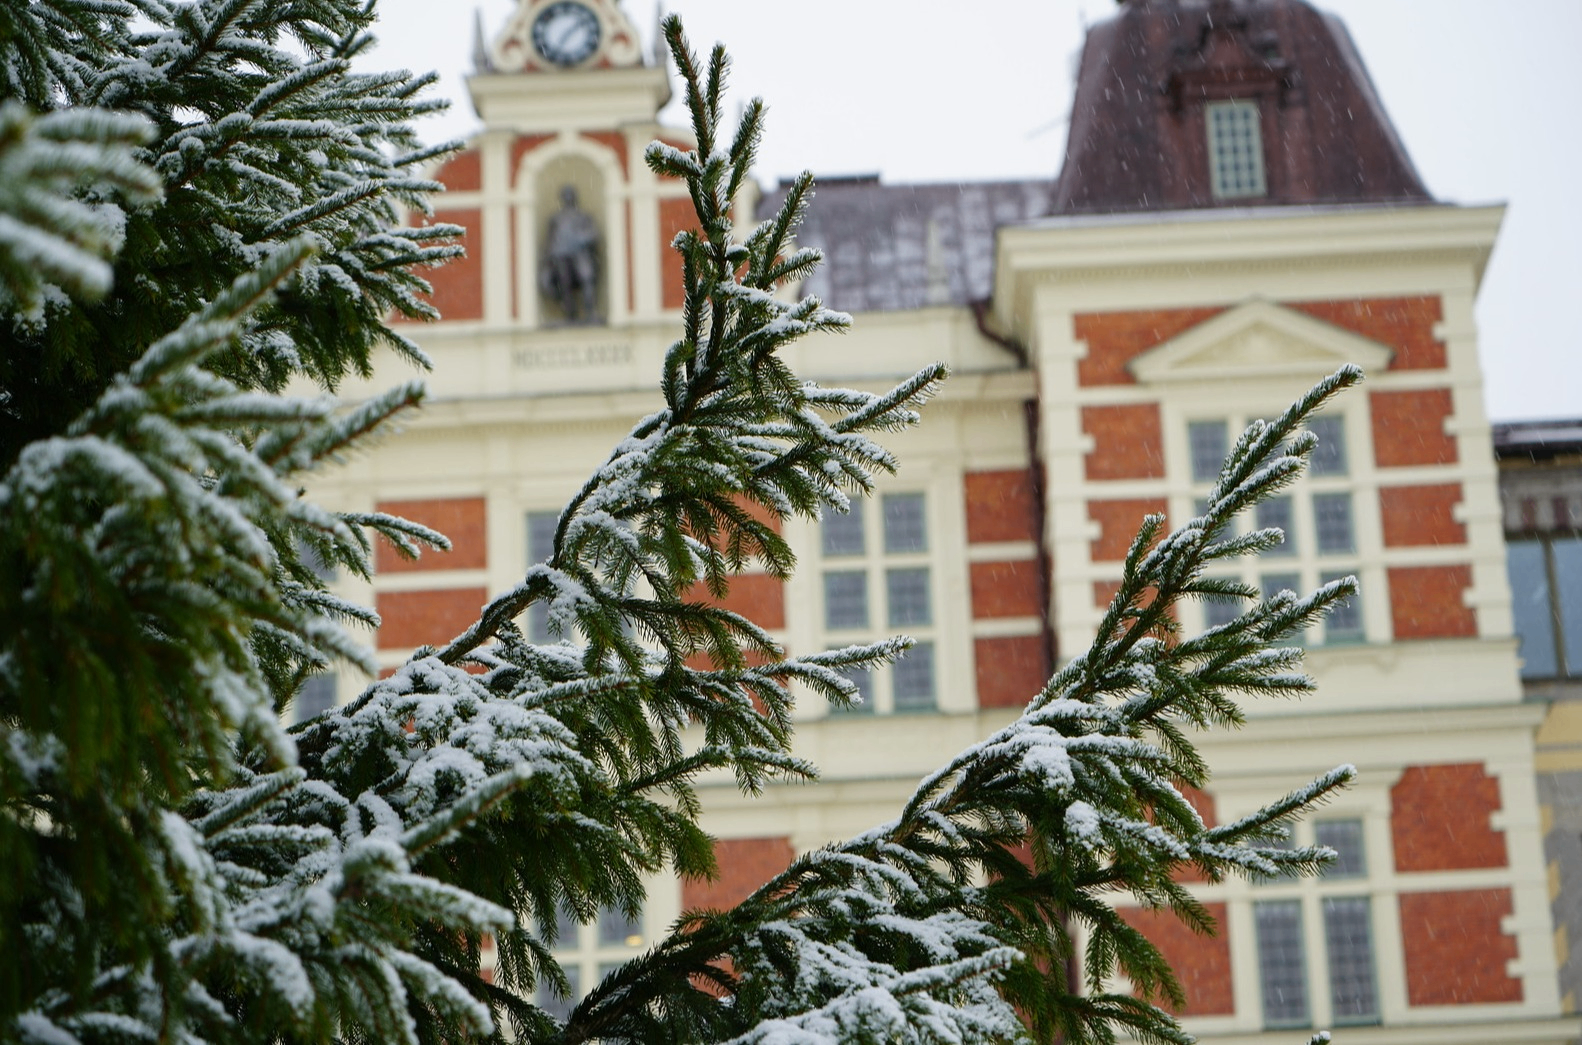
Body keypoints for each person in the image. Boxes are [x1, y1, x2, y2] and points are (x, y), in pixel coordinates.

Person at [541, 185, 599, 323]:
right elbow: (550, 239)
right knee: (564, 285)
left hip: (580, 254)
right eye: (565, 195)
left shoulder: (582, 216)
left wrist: (581, 239)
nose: (568, 198)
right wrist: (548, 258)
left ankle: (590, 312)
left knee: (587, 280)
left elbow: (592, 233)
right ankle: (570, 315)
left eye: (570, 195)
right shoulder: (556, 218)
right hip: (561, 255)